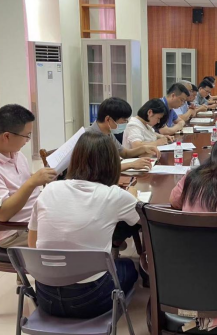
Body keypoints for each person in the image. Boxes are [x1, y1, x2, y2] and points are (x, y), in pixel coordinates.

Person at [29, 131, 139, 319]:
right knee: (129, 266)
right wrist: (132, 193)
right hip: (91, 299)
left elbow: (33, 244)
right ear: (112, 163)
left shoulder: (49, 189)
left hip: (46, 297)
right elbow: (141, 220)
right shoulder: (114, 195)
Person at [0, 105, 58, 248]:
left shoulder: (14, 152)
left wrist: (41, 177)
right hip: (16, 231)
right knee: (77, 233)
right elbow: (3, 214)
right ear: (7, 136)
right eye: (26, 135)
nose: (27, 140)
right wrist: (32, 182)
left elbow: (19, 183)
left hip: (38, 216)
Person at [87, 97, 160, 171]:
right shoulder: (89, 137)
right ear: (108, 119)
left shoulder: (107, 132)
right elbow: (101, 169)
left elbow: (125, 153)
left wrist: (144, 148)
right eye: (124, 121)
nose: (126, 123)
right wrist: (131, 165)